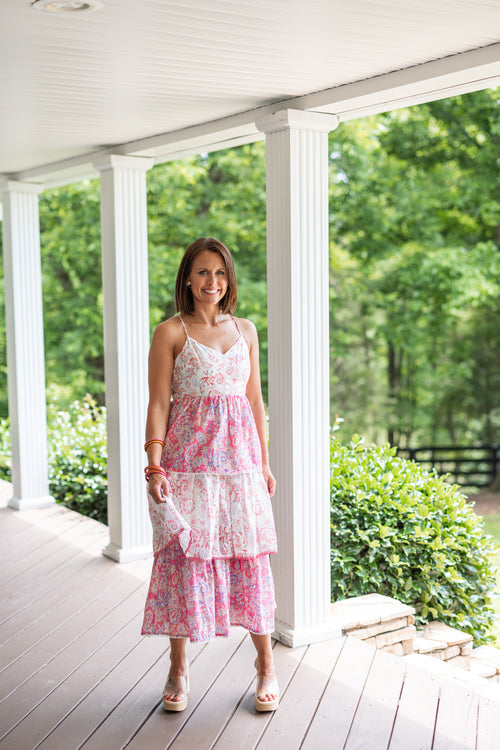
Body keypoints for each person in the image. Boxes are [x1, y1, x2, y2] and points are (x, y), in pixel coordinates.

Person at [141, 237, 279, 713]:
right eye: (202, 272)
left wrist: (263, 462)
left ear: (229, 280)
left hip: (240, 469)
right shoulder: (170, 332)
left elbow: (254, 401)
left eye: (220, 273)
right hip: (188, 468)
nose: (212, 282)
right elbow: (159, 404)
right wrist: (154, 464)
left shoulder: (246, 330)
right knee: (185, 562)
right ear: (187, 278)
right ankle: (178, 667)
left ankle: (265, 664)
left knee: (250, 561)